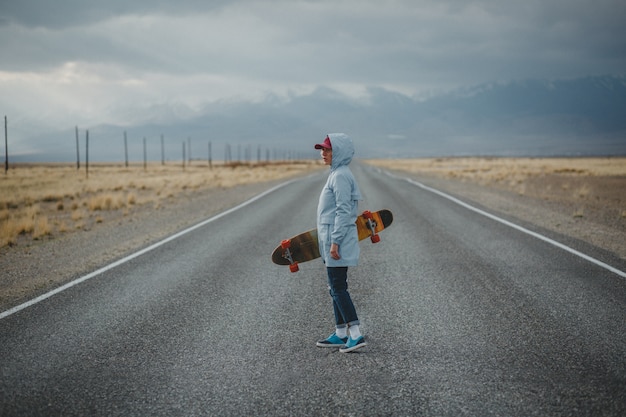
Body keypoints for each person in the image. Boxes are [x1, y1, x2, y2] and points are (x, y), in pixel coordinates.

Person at [314, 133, 367, 353]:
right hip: (332, 239)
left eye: (327, 149)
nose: (322, 153)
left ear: (340, 152)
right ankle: (340, 333)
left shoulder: (341, 176)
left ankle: (355, 334)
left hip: (337, 241)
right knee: (334, 286)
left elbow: (344, 211)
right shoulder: (337, 174)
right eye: (322, 149)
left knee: (338, 287)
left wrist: (334, 243)